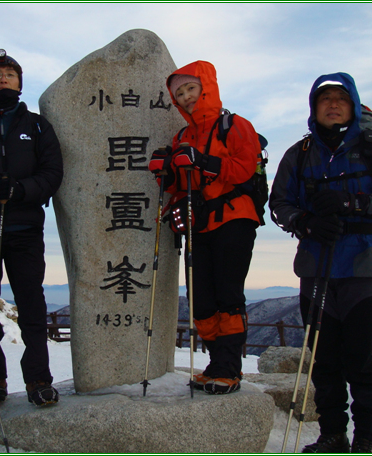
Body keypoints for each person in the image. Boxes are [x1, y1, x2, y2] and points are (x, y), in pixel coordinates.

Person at [269, 72, 372, 453]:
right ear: (314, 108)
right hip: (316, 269)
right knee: (324, 362)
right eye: (324, 99)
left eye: (340, 99)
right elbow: (278, 205)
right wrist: (306, 222)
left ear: (352, 104)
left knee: (360, 362)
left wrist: (354, 204)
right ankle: (332, 434)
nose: (332, 105)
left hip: (362, 268)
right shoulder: (298, 155)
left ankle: (366, 438)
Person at [149, 61, 262, 395]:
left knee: (228, 294)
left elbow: (245, 168)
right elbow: (182, 184)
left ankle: (229, 368)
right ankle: (215, 365)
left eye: (191, 89)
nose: (186, 97)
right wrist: (166, 174)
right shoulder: (182, 136)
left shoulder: (235, 125)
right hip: (198, 224)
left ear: (206, 87)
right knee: (201, 300)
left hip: (234, 219)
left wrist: (203, 161)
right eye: (179, 93)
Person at [0, 49, 63, 407]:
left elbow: (52, 174)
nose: (3, 78)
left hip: (24, 231)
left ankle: (38, 379)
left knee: (32, 307)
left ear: (20, 83)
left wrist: (20, 190)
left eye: (10, 74)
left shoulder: (37, 126)